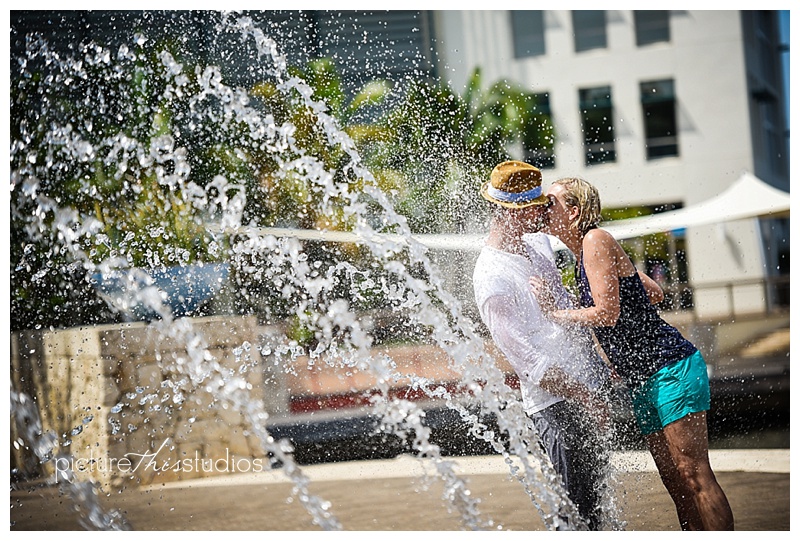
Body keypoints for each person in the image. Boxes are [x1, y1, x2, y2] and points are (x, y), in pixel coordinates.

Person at [531, 176, 734, 531]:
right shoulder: (585, 254)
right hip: (643, 378)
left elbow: (606, 314)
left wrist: (553, 313)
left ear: (574, 211)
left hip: (670, 367)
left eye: (551, 203)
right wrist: (619, 350)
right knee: (675, 483)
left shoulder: (595, 240)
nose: (543, 209)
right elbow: (653, 292)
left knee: (694, 475)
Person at [472, 161, 616, 531]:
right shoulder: (491, 278)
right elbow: (529, 363)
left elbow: (562, 311)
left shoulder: (535, 244)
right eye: (535, 207)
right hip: (555, 405)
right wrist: (587, 398)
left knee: (598, 506)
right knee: (576, 514)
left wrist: (600, 361)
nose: (543, 212)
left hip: (585, 385)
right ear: (507, 213)